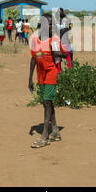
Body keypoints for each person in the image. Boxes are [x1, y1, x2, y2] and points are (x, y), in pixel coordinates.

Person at [28, 14, 67, 148]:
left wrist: (58, 54)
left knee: (46, 102)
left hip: (51, 73)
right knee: (47, 102)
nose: (51, 26)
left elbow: (66, 54)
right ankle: (55, 130)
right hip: (40, 75)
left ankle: (44, 136)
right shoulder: (35, 40)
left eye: (53, 24)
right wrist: (29, 79)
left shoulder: (54, 40)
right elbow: (33, 59)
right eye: (49, 24)